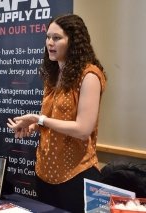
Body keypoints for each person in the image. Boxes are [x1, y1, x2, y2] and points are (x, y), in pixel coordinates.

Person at [7, 14, 107, 213]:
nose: (50, 43)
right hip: (44, 173)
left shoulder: (90, 75)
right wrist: (33, 126)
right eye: (47, 37)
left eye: (57, 38)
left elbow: (82, 129)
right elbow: (54, 119)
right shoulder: (53, 74)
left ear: (74, 41)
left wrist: (39, 119)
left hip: (75, 174)